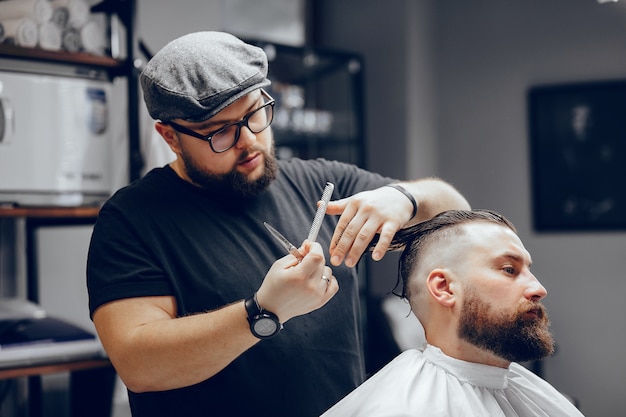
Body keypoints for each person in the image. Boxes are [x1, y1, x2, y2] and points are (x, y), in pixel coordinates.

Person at [86, 31, 470, 417]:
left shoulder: (319, 182)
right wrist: (262, 312)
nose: (248, 140)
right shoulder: (132, 219)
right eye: (220, 131)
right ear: (170, 136)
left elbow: (457, 217)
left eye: (255, 114)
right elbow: (139, 365)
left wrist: (404, 197)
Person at [320, 209, 584, 417]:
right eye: (509, 269)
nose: (539, 289)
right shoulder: (398, 409)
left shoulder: (535, 395)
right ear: (444, 288)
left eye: (528, 270)